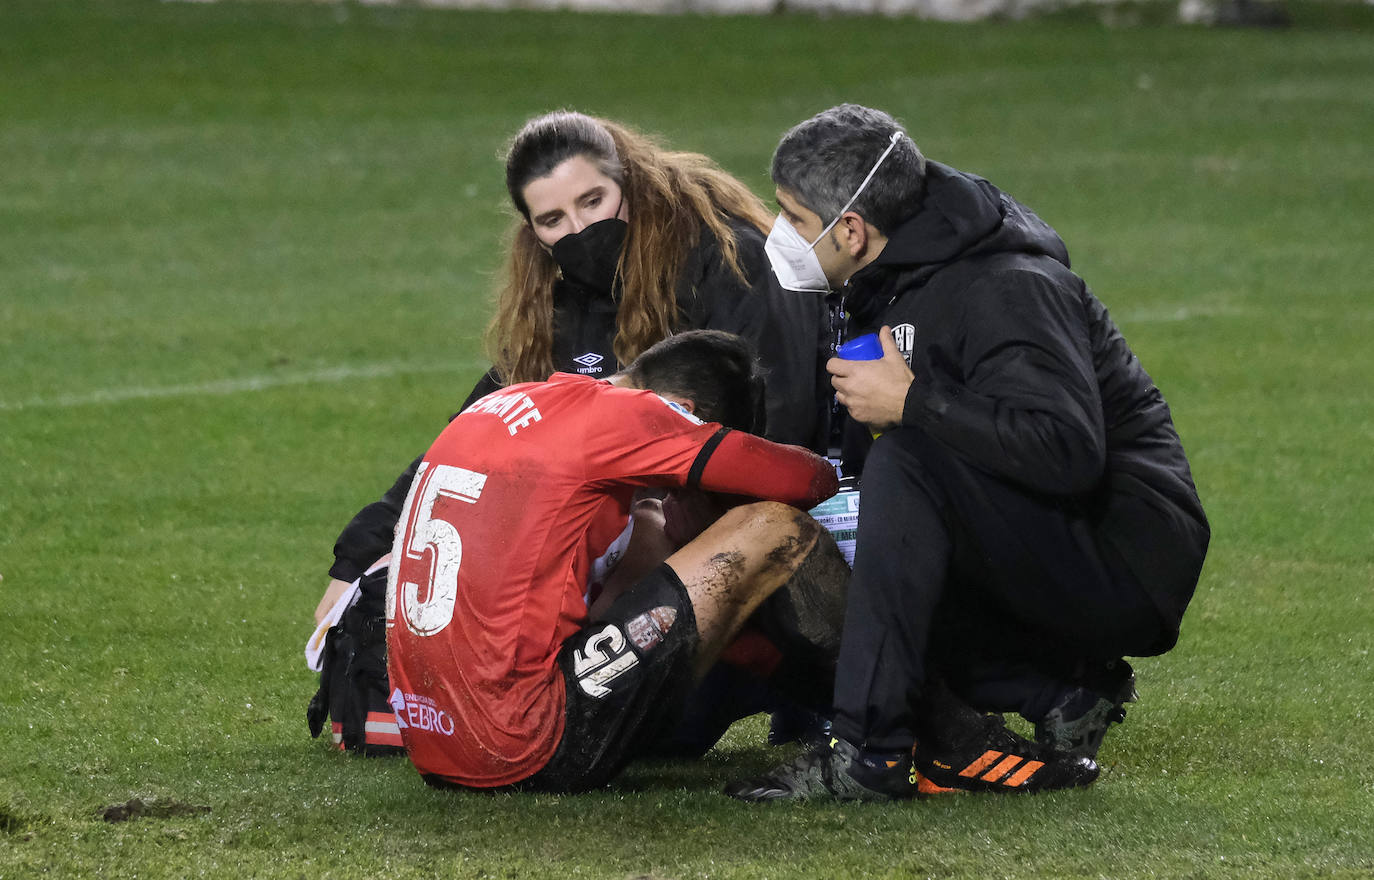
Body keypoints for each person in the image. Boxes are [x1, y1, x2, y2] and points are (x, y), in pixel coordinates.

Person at [727, 104, 1210, 802]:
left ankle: (870, 754)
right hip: (1043, 539)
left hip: (1124, 556)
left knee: (904, 463)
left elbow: (1067, 450)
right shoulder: (887, 282)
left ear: (853, 230)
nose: (781, 235)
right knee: (816, 562)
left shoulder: (1005, 284)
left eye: (795, 219)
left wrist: (913, 404)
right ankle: (1058, 691)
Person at [317, 109, 828, 623]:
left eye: (593, 201)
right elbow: (473, 439)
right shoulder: (559, 308)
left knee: (639, 524)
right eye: (553, 220)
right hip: (637, 537)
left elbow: (782, 424)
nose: (582, 230)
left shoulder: (727, 261)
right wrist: (363, 555)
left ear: (630, 179)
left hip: (757, 519)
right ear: (532, 231)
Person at [384, 330, 838, 791]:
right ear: (681, 409)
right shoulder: (631, 415)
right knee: (773, 527)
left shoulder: (506, 401)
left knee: (649, 532)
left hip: (436, 740)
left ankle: (842, 704)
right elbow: (806, 479)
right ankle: (879, 726)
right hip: (521, 742)